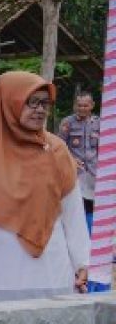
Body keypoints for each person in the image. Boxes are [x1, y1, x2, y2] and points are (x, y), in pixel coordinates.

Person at [0, 71, 90, 304]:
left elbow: (72, 212)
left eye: (44, 103)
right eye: (31, 102)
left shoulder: (57, 150)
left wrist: (82, 262)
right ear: (7, 103)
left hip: (51, 275)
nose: (40, 110)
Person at [59, 89, 100, 228]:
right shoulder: (67, 123)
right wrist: (71, 159)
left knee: (93, 207)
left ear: (92, 105)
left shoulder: (99, 123)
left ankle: (91, 235)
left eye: (85, 105)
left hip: (94, 174)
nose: (82, 108)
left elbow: (104, 147)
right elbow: (59, 146)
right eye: (79, 105)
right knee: (77, 208)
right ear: (75, 105)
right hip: (75, 173)